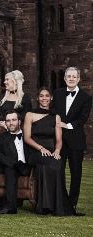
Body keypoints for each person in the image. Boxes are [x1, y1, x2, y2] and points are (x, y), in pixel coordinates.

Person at [24, 87, 77, 216]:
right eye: (41, 96)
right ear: (38, 98)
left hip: (51, 150)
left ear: (51, 98)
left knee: (57, 163)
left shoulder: (56, 117)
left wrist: (58, 151)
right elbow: (27, 138)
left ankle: (56, 206)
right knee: (48, 163)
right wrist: (41, 148)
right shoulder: (30, 115)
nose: (44, 98)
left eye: (47, 96)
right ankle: (45, 206)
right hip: (35, 150)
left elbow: (59, 139)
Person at [52, 67, 91, 213]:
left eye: (74, 76)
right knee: (58, 170)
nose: (71, 78)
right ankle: (61, 202)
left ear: (79, 79)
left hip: (76, 141)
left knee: (76, 173)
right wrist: (58, 124)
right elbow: (54, 111)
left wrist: (66, 125)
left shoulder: (86, 98)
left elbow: (82, 119)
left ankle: (72, 204)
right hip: (59, 139)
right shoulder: (57, 93)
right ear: (65, 78)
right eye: (69, 76)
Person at [0, 109, 31, 215]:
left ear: (19, 121)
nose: (11, 123)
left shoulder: (28, 135)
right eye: (8, 121)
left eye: (13, 120)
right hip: (11, 167)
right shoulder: (3, 137)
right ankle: (11, 207)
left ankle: (10, 207)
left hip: (25, 167)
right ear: (5, 123)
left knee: (1, 159)